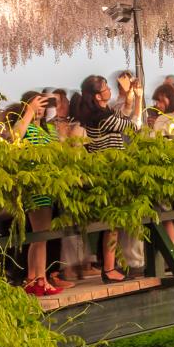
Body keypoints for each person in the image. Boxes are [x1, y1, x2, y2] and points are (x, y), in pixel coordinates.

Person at [72, 75, 137, 282]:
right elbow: (133, 127)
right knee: (112, 224)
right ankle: (108, 269)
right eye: (106, 87)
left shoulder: (100, 114)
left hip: (105, 172)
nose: (109, 89)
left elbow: (123, 116)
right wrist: (136, 99)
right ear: (99, 95)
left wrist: (128, 97)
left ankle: (109, 267)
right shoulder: (102, 117)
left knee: (113, 225)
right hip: (110, 174)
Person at [7, 92, 65, 295]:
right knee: (41, 234)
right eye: (36, 104)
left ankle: (35, 278)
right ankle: (38, 279)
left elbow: (59, 151)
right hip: (34, 186)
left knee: (40, 236)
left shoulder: (49, 129)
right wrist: (29, 112)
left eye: (43, 104)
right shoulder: (27, 127)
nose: (41, 108)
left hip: (48, 185)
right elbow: (14, 138)